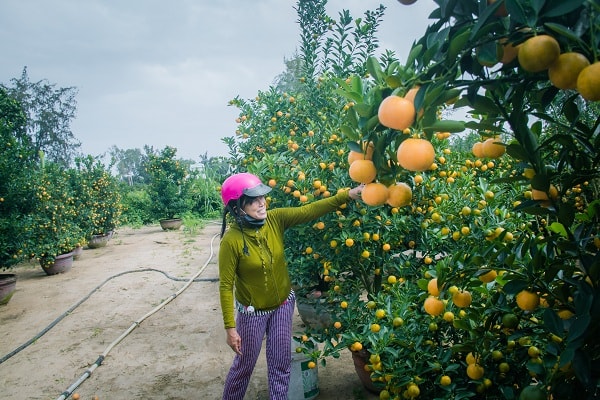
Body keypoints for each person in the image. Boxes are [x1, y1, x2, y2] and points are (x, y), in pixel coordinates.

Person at [218, 172, 363, 400]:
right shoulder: (232, 240)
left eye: (262, 197)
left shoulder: (275, 220)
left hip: (283, 306)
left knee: (280, 364)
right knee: (243, 367)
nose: (262, 203)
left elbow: (308, 211)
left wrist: (348, 195)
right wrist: (230, 327)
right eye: (254, 200)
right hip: (252, 314)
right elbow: (226, 286)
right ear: (237, 207)